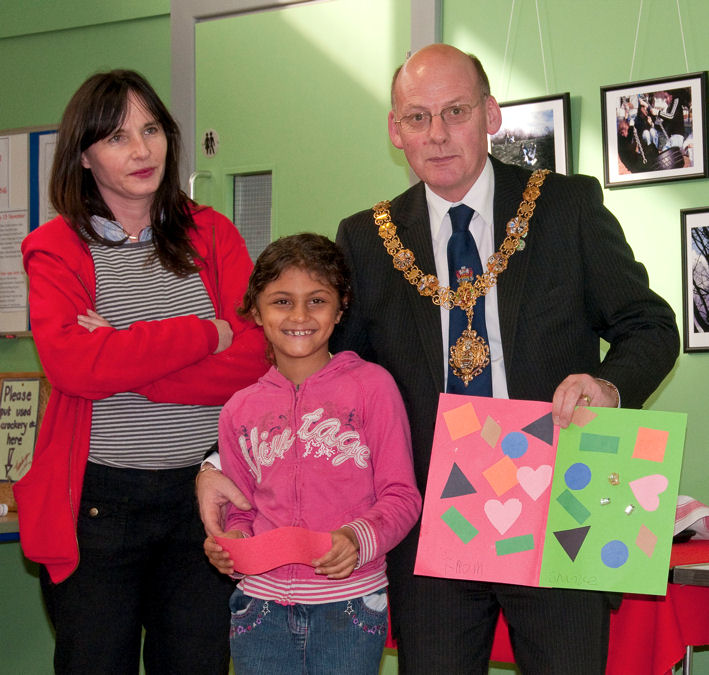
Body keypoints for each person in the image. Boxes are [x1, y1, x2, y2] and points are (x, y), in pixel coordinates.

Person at [199, 44, 679, 673]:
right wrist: (218, 458)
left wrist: (608, 385)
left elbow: (651, 325)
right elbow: (320, 378)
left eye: (455, 112)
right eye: (418, 117)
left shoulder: (566, 207)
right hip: (431, 519)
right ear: (395, 130)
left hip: (564, 500)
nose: (438, 134)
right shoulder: (368, 238)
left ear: (490, 115)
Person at [15, 69, 268, 674]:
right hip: (99, 507)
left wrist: (126, 363)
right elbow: (72, 367)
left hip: (203, 501)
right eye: (118, 137)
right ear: (83, 155)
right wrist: (206, 333)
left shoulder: (211, 233)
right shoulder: (57, 248)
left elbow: (256, 357)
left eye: (151, 129)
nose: (141, 150)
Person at [216, 233, 421, 674]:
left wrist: (357, 539)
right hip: (258, 611)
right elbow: (239, 512)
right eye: (281, 301)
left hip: (349, 608)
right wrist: (231, 544)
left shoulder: (373, 388)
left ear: (341, 307)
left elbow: (403, 497)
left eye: (317, 300)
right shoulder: (238, 411)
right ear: (256, 309)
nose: (299, 316)